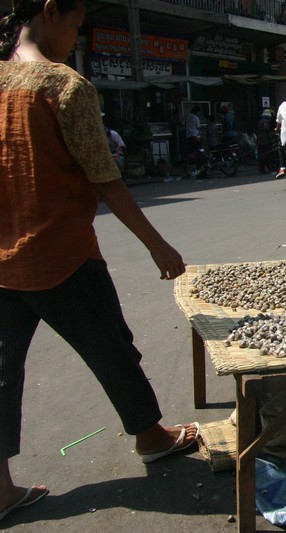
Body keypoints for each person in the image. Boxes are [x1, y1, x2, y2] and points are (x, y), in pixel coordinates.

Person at [0, 0, 199, 522]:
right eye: (76, 25)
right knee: (113, 348)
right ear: (49, 12)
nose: (77, 37)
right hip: (60, 253)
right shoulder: (63, 86)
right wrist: (158, 244)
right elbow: (104, 178)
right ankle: (152, 436)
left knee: (1, 372)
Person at [256, 108, 275, 174]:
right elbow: (267, 129)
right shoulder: (265, 121)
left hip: (259, 141)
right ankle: (270, 169)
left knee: (261, 156)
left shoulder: (260, 121)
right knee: (268, 155)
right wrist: (272, 133)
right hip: (265, 141)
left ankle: (261, 169)